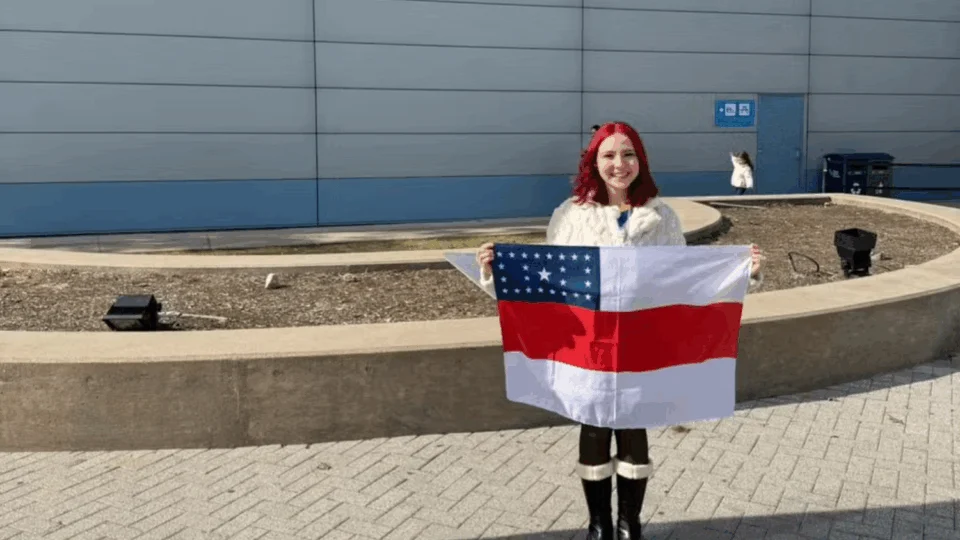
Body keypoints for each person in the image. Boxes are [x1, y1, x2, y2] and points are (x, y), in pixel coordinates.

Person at [476, 122, 762, 540]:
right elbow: (550, 284)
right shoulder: (570, 214)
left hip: (641, 338)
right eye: (609, 155)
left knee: (633, 422)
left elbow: (681, 278)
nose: (619, 164)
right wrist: (495, 271)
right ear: (594, 161)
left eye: (628, 155)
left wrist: (742, 271)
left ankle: (630, 523)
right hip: (588, 343)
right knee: (593, 423)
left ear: (640, 161)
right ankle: (598, 524)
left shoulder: (661, 215)